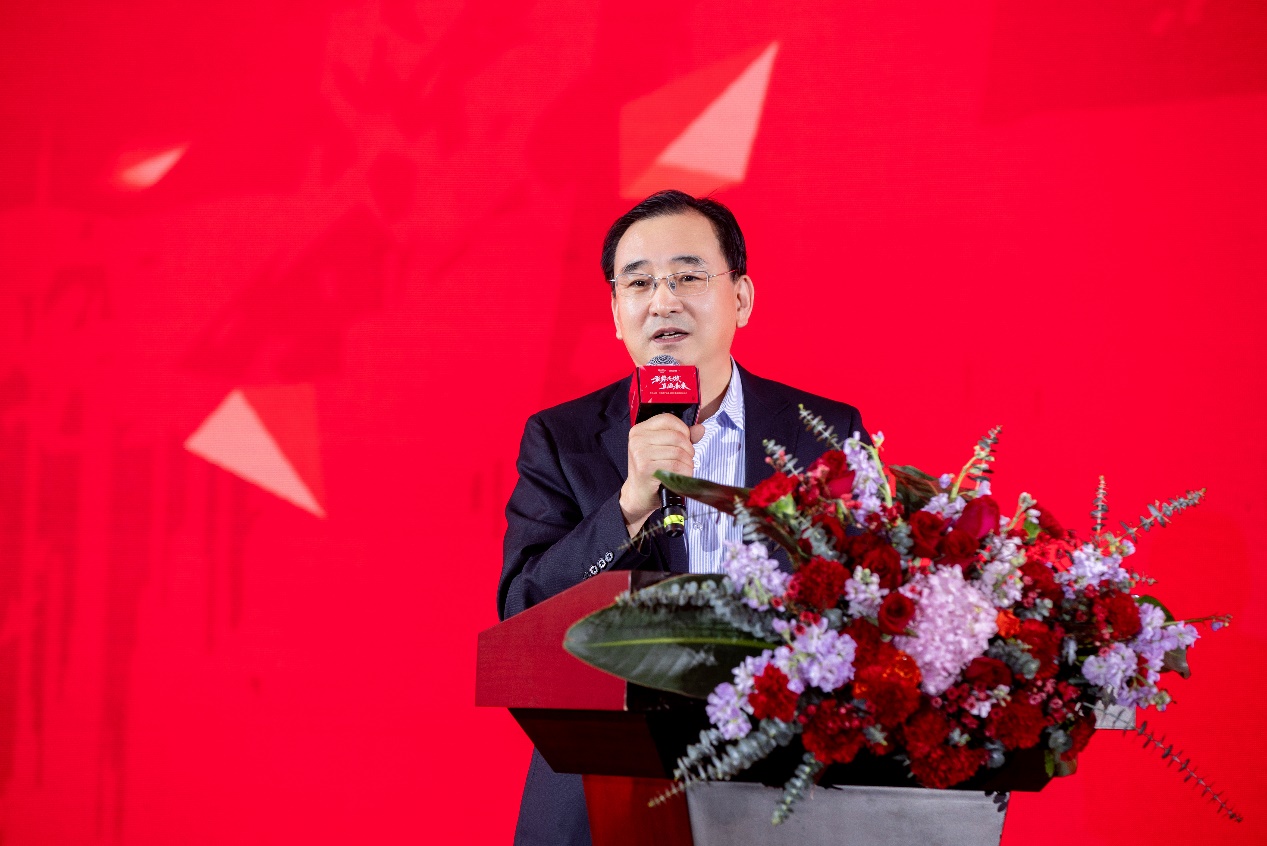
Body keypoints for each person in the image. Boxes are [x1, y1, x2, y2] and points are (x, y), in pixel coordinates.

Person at [498, 190, 869, 846]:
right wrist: (628, 507)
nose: (662, 301)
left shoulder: (823, 433)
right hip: (603, 795)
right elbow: (522, 614)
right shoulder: (561, 439)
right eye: (638, 283)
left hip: (786, 794)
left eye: (688, 277)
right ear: (617, 314)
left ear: (741, 298)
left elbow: (869, 606)